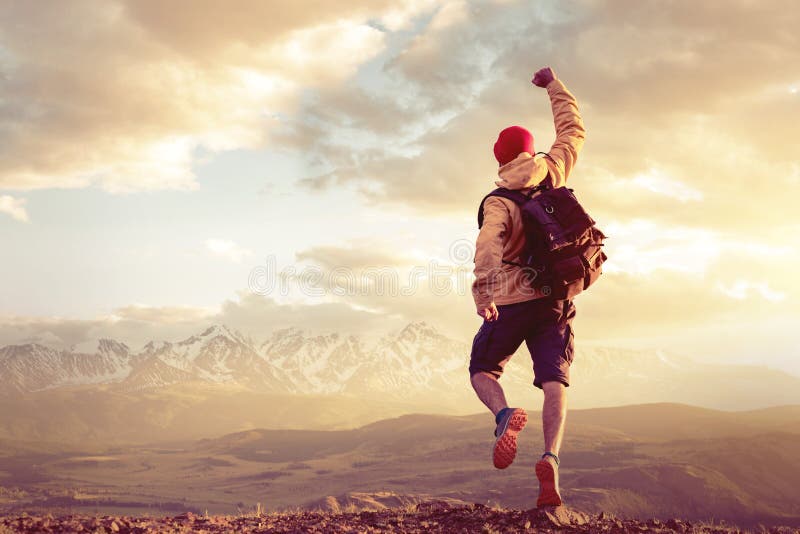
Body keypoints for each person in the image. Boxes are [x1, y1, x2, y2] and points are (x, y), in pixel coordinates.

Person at [469, 66, 585, 508]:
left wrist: (484, 297)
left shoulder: (498, 201)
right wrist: (554, 86)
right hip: (557, 298)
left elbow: (487, 250)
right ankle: (551, 457)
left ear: (499, 161)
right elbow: (573, 128)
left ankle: (503, 416)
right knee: (554, 379)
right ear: (532, 151)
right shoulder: (553, 171)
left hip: (513, 302)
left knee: (482, 369)